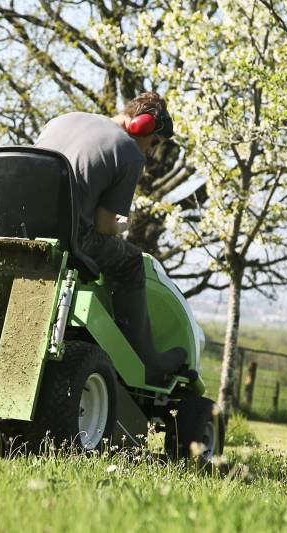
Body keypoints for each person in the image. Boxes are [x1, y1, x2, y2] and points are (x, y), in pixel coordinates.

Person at [35, 91, 186, 385]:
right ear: (142, 126)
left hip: (17, 227)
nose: (152, 153)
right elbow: (105, 226)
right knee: (129, 260)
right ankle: (146, 361)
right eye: (154, 142)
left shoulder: (62, 120)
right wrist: (122, 225)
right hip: (68, 238)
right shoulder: (128, 151)